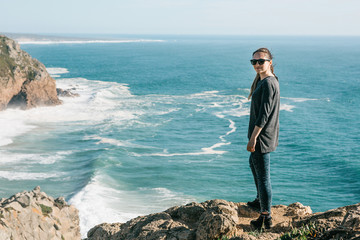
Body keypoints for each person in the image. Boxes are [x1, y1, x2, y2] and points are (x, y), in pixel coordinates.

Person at [246, 48, 280, 230]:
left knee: (263, 177)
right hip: (264, 135)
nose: (257, 64)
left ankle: (265, 216)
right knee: (254, 165)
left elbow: (264, 116)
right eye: (254, 62)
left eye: (261, 61)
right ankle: (260, 200)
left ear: (270, 62)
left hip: (261, 137)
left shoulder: (268, 83)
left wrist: (253, 139)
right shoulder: (266, 80)